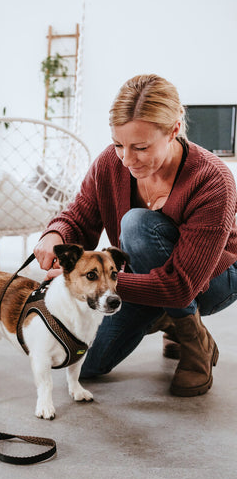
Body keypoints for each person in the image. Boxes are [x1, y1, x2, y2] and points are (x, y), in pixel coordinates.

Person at [34, 74, 237, 397]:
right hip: (145, 278)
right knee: (81, 363)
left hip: (213, 282)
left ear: (173, 130)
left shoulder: (213, 180)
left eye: (140, 147)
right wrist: (54, 234)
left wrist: (101, 283)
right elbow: (80, 215)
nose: (127, 160)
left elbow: (182, 285)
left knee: (136, 225)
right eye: (118, 145)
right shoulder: (109, 165)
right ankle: (164, 314)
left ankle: (192, 338)